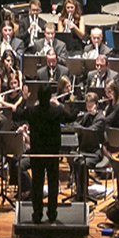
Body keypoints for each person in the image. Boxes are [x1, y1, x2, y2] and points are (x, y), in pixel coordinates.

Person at [17, 86, 76, 223]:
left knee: (37, 184)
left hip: (37, 153)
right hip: (52, 153)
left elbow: (18, 114)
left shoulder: (32, 111)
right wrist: (67, 104)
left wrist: (24, 100)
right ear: (50, 97)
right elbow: (71, 117)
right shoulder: (56, 111)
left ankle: (37, 214)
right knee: (53, 183)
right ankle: (52, 213)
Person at [71, 93, 108, 199]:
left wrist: (80, 129)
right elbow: (78, 125)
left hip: (95, 152)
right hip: (84, 150)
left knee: (83, 164)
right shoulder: (87, 116)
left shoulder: (101, 119)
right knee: (76, 161)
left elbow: (90, 131)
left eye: (91, 106)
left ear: (96, 105)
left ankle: (83, 194)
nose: (89, 108)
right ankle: (80, 192)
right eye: (87, 106)